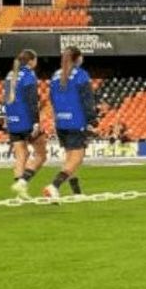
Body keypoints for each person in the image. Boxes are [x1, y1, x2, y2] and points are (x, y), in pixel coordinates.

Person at [40, 46, 95, 202]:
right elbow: (87, 99)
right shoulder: (81, 75)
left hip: (61, 121)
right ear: (78, 58)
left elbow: (51, 99)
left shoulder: (55, 75)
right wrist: (92, 119)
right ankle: (54, 186)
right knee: (77, 157)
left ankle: (76, 192)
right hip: (76, 121)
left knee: (69, 157)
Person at [3, 50, 47, 199]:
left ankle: (20, 192)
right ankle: (23, 182)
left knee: (21, 155)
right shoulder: (29, 75)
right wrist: (35, 122)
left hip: (12, 119)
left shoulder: (10, 75)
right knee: (41, 155)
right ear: (31, 61)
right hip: (26, 119)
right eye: (36, 60)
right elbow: (32, 100)